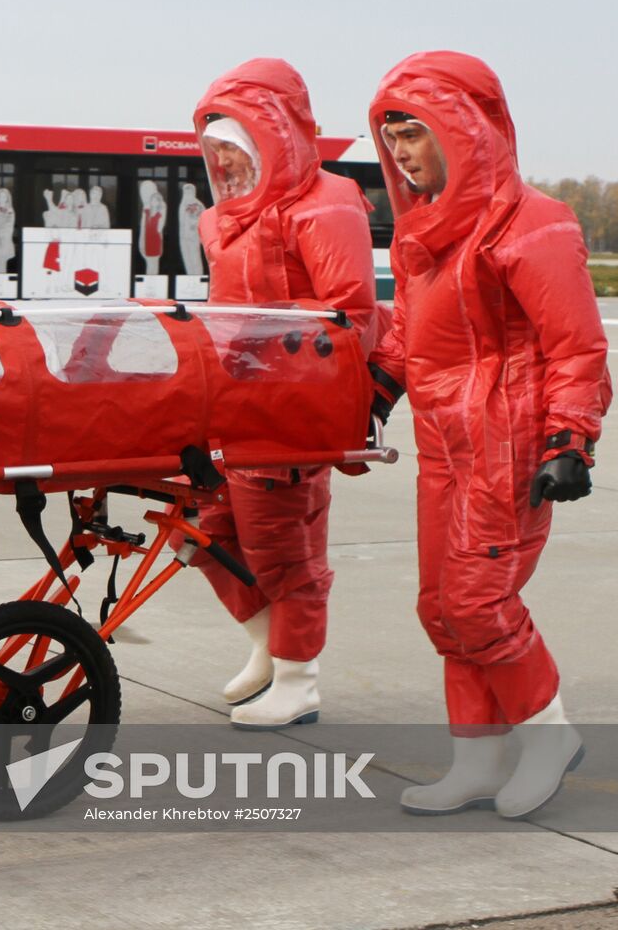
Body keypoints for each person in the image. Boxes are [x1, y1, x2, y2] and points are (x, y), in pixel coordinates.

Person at [367, 51, 611, 819]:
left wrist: (569, 440)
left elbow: (576, 345)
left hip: (506, 441)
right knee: (441, 606)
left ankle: (547, 733)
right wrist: (376, 389)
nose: (402, 152)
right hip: (442, 444)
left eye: (415, 132)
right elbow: (410, 333)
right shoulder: (422, 230)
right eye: (391, 135)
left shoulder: (534, 223)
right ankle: (476, 758)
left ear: (464, 130)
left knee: (477, 601)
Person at [187, 58, 378, 729]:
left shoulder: (326, 208)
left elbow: (350, 316)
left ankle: (299, 678)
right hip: (228, 404)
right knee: (204, 531)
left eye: (237, 151)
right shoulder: (222, 221)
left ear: (275, 140)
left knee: (280, 546)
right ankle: (265, 647)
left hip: (288, 411)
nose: (226, 167)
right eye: (215, 154)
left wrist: (280, 367)